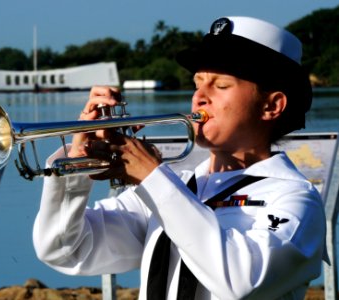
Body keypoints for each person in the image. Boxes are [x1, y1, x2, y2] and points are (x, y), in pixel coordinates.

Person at [32, 16, 328, 299]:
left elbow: (241, 282)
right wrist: (76, 162)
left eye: (221, 85)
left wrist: (152, 178)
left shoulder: (295, 199)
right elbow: (65, 249)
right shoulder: (177, 187)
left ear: (272, 105)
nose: (199, 96)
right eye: (198, 82)